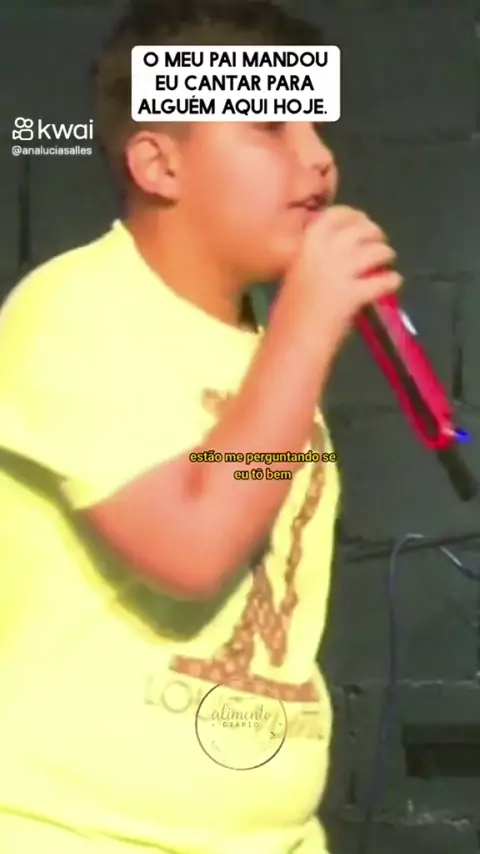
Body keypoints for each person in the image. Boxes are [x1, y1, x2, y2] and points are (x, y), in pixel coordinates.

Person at [0, 1, 401, 852]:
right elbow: (191, 548)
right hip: (75, 832)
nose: (319, 158)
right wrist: (308, 325)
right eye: (271, 125)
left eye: (317, 126)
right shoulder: (74, 310)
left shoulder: (263, 352)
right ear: (160, 162)